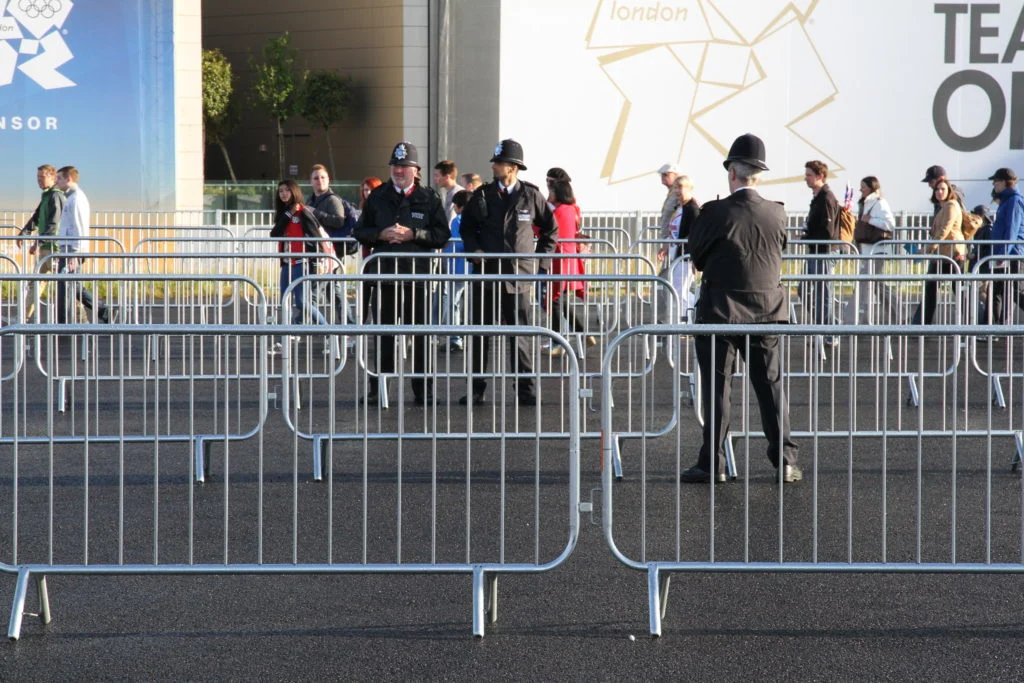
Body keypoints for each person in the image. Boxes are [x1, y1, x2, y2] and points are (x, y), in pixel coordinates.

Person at [681, 133, 801, 484]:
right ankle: (787, 461)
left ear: (732, 173)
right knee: (771, 388)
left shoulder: (715, 212)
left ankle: (713, 463)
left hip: (719, 312)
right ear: (757, 175)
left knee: (718, 391)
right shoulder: (777, 213)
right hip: (767, 312)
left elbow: (697, 257)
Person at [458, 138, 558, 406]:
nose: (494, 165)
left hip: (519, 278)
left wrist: (540, 264)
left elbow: (551, 230)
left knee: (521, 336)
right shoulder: (482, 195)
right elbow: (466, 228)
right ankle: (477, 389)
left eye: (499, 162)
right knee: (480, 334)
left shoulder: (531, 195)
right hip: (487, 276)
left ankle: (525, 390)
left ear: (513, 167)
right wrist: (474, 251)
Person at [353, 142, 450, 405]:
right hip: (385, 276)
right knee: (384, 334)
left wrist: (414, 234)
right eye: (395, 166)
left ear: (415, 170)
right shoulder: (378, 196)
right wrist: (380, 234)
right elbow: (360, 230)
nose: (398, 170)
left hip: (417, 277)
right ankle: (379, 388)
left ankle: (423, 390)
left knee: (420, 335)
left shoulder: (429, 198)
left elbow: (442, 235)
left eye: (404, 167)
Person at [544, 167, 602, 356]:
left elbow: (545, 229)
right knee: (558, 300)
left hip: (558, 258)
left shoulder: (556, 209)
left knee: (553, 300)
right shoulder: (573, 208)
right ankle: (580, 332)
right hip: (568, 258)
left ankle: (557, 342)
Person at [53, 166, 110, 324]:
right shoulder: (71, 198)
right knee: (71, 285)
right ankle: (100, 312)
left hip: (72, 250)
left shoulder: (77, 199)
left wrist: (76, 253)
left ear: (68, 179)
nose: (56, 182)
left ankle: (101, 311)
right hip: (69, 249)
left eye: (59, 178)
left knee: (68, 286)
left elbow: (80, 226)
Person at [270, 179, 329, 327]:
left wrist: (317, 262)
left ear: (294, 191)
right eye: (281, 191)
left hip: (301, 262)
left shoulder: (303, 212)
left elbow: (317, 239)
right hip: (286, 262)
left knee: (302, 302)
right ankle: (287, 334)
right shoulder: (284, 213)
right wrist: (289, 213)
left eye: (287, 190)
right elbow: (275, 233)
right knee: (285, 300)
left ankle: (329, 331)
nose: (284, 193)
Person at [912, 178, 965, 325]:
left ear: (949, 191)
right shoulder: (943, 207)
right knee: (931, 288)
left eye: (942, 189)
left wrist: (927, 249)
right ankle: (921, 324)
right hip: (942, 253)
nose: (939, 192)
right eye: (937, 189)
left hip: (953, 254)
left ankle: (973, 323)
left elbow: (944, 230)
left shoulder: (951, 206)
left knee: (959, 290)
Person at [307, 164, 356, 322]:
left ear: (329, 180)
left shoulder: (332, 200)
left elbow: (339, 221)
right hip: (320, 252)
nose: (319, 181)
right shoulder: (311, 199)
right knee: (333, 292)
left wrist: (316, 213)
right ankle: (348, 325)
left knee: (314, 292)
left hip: (330, 254)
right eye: (316, 178)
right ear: (311, 181)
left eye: (322, 177)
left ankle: (302, 325)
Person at [846, 176, 896, 324]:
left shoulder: (879, 203)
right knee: (875, 286)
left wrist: (870, 220)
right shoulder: (866, 203)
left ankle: (850, 320)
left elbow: (890, 225)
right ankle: (897, 314)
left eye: (863, 187)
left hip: (878, 250)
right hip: (870, 251)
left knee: (866, 284)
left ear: (871, 188)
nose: (860, 189)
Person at [802, 160, 840, 345]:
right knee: (805, 290)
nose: (805, 178)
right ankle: (828, 324)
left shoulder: (826, 198)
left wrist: (808, 236)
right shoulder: (818, 197)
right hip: (815, 251)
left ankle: (830, 332)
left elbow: (827, 231)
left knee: (823, 294)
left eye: (809, 175)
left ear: (820, 176)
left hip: (824, 253)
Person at [657, 175, 700, 323]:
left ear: (690, 189)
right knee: (678, 288)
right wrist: (665, 247)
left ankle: (686, 320)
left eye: (681, 187)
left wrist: (695, 256)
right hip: (677, 254)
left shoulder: (692, 209)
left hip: (686, 256)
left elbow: (695, 234)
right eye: (675, 187)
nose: (678, 191)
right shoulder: (679, 208)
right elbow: (673, 231)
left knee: (679, 289)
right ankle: (687, 316)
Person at [988, 167, 1024, 324]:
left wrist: (1003, 253)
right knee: (997, 290)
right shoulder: (1007, 201)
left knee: (1016, 290)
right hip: (1005, 253)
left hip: (1013, 254)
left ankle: (1000, 326)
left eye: (995, 182)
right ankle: (996, 327)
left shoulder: (1014, 201)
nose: (994, 185)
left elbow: (1012, 229)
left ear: (1003, 182)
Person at [442, 189, 472, 351]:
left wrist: (445, 251)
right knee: (472, 304)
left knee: (453, 303)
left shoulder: (457, 221)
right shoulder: (477, 220)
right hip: (473, 268)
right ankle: (475, 334)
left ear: (459, 206)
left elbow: (456, 243)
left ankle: (455, 338)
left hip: (458, 268)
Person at [19, 164, 65, 267]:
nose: (39, 180)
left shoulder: (56, 195)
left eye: (42, 177)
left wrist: (38, 243)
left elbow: (54, 224)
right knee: (36, 281)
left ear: (52, 177)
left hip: (54, 247)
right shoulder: (47, 195)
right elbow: (36, 217)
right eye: (37, 177)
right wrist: (24, 233)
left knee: (60, 280)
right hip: (46, 245)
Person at [655, 163, 681, 243]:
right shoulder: (671, 193)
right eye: (661, 175)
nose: (663, 177)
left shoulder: (678, 194)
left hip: (675, 237)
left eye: (666, 175)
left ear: (676, 175)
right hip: (668, 237)